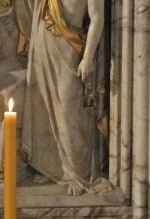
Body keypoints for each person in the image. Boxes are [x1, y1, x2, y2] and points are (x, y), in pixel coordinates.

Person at [21, 0, 105, 194]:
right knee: (42, 104)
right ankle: (52, 168)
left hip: (69, 47)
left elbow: (98, 18)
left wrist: (88, 57)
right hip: (43, 45)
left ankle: (77, 173)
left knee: (68, 111)